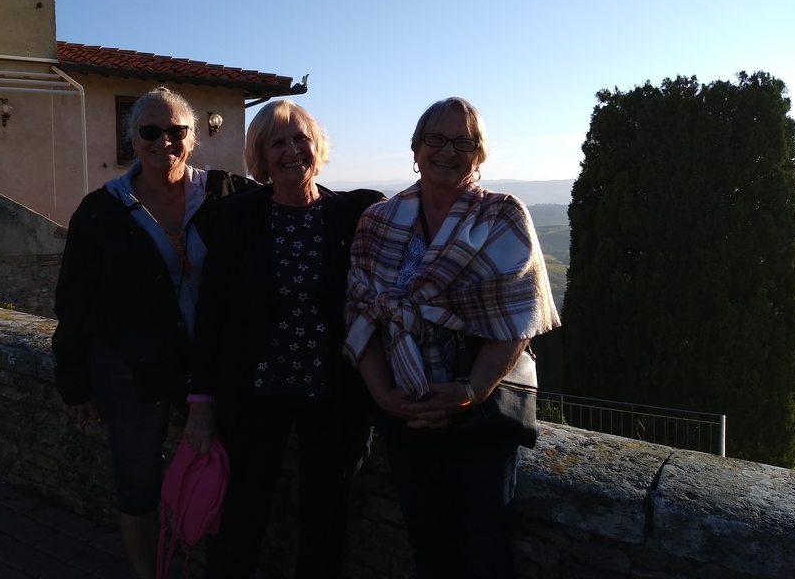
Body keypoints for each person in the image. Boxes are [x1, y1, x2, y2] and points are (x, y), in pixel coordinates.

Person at [343, 97, 560, 578]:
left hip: (479, 417)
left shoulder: (503, 216)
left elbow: (518, 317)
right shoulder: (378, 220)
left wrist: (470, 391)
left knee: (486, 553)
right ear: (416, 149)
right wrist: (384, 396)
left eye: (465, 141)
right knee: (430, 550)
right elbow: (361, 313)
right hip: (406, 414)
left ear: (479, 156)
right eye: (436, 138)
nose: (449, 150)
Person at [51, 87, 256, 579]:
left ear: (192, 138)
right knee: (137, 477)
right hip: (128, 367)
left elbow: (298, 197)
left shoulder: (227, 195)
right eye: (150, 131)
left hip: (207, 363)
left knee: (220, 467)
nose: (163, 140)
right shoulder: (101, 209)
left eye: (176, 131)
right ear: (133, 139)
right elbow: (73, 301)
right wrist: (74, 381)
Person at [184, 98, 384, 578]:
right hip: (255, 390)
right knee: (241, 513)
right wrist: (200, 400)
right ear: (260, 155)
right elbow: (212, 310)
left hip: (332, 393)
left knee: (326, 515)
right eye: (278, 142)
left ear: (318, 146)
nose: (292, 150)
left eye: (300, 139)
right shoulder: (238, 215)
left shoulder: (350, 215)